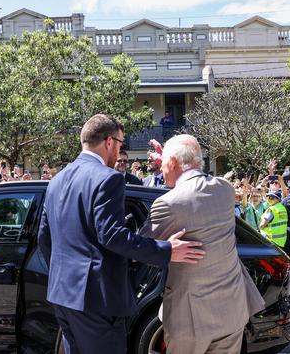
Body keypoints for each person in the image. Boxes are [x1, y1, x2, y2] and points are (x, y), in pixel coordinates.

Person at [38, 114, 204, 354]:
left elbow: (45, 237)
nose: (120, 150)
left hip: (62, 294)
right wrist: (167, 251)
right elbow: (112, 235)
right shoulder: (108, 179)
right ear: (108, 142)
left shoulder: (56, 181)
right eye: (120, 144)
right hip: (96, 299)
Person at [139, 134, 264, 354]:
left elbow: (141, 248)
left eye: (163, 164)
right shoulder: (224, 190)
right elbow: (193, 195)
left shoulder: (168, 203)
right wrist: (169, 157)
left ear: (173, 162)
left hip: (191, 319)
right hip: (232, 310)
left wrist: (167, 248)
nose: (161, 169)